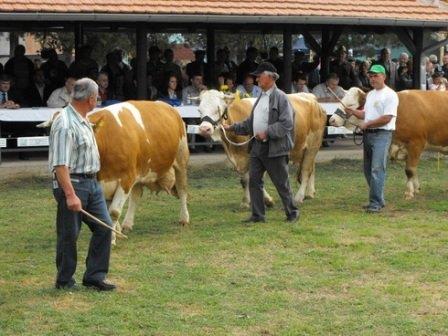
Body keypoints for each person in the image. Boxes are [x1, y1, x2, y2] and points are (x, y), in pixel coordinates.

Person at [48, 77, 116, 291]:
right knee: (69, 235)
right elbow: (60, 165)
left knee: (105, 228)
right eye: (97, 97)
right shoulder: (65, 123)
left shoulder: (84, 118)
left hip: (92, 184)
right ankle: (64, 280)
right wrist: (69, 194)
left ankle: (95, 276)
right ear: (90, 98)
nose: (97, 100)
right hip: (73, 184)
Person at [223, 62, 299, 224]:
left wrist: (268, 132)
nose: (256, 79)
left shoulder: (281, 98)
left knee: (281, 183)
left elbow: (287, 123)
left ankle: (292, 212)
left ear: (271, 77)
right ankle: (258, 215)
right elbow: (250, 122)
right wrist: (231, 127)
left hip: (275, 148)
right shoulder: (261, 98)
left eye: (259, 76)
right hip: (257, 147)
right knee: (254, 181)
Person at [344, 64, 398, 213]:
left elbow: (387, 118)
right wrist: (353, 112)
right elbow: (366, 114)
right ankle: (378, 200)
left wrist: (367, 124)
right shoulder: (371, 94)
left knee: (377, 168)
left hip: (382, 134)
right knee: (368, 169)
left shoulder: (391, 95)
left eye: (376, 75)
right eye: (370, 76)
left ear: (384, 77)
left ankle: (375, 203)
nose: (372, 78)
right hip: (369, 135)